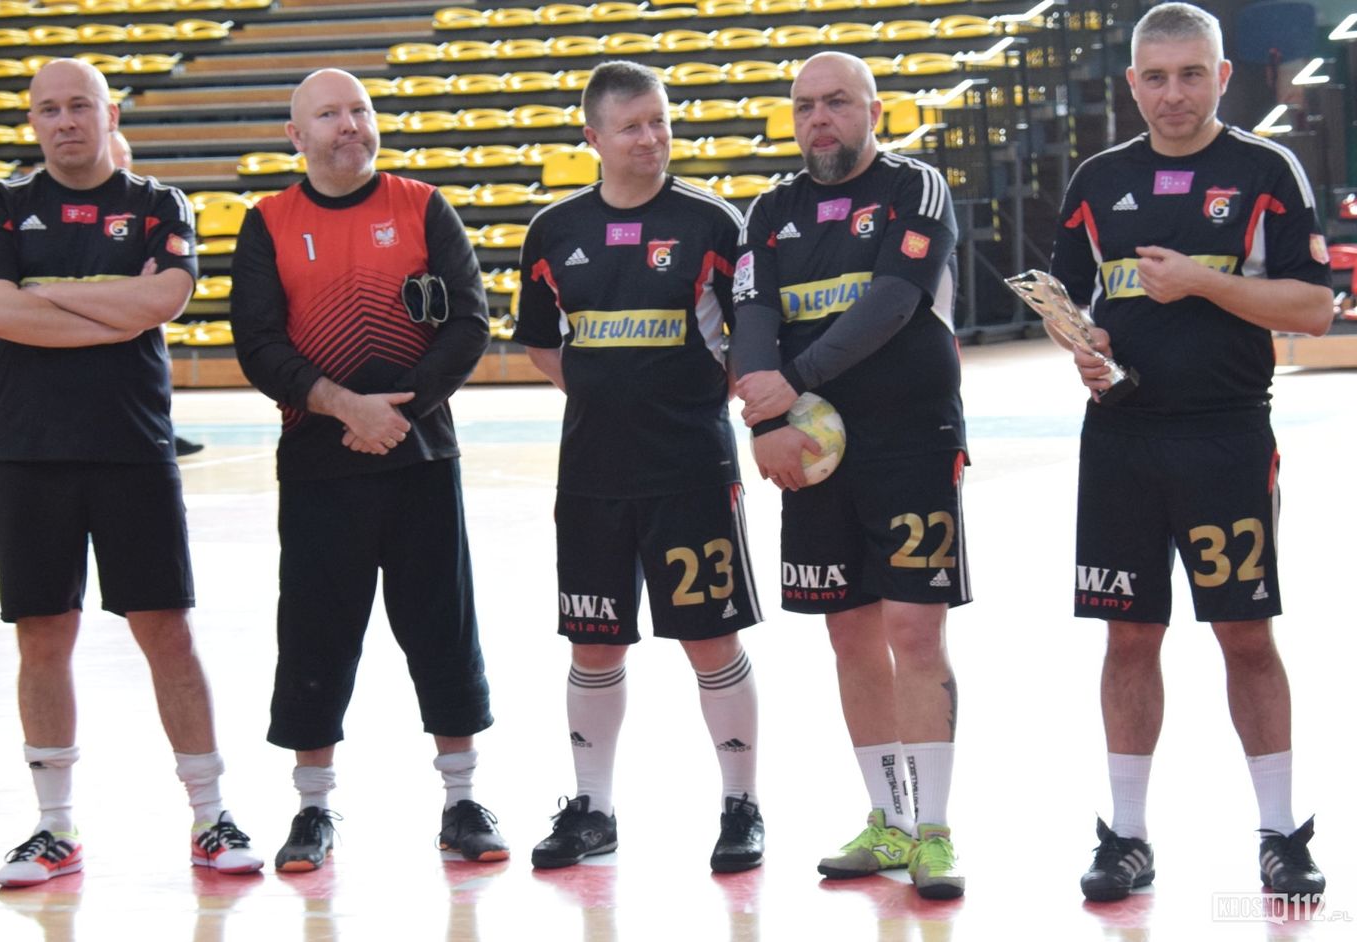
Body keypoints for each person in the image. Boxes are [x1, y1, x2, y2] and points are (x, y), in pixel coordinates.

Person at [1046, 2, 1331, 902]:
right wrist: (1083, 346)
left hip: (1227, 435)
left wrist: (1204, 281)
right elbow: (1069, 303)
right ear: (1132, 84)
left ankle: (1280, 832)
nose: (1174, 94)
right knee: (1129, 636)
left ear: (1223, 76)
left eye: (1192, 74)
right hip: (1120, 439)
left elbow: (1315, 307)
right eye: (1158, 77)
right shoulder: (1097, 180)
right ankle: (1127, 836)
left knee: (1244, 633)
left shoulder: (1264, 169)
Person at [0, 58, 263, 887]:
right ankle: (53, 827)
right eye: (48, 109)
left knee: (167, 631)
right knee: (42, 637)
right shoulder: (1, 203)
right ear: (33, 121)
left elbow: (163, 301)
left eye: (79, 106)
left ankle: (210, 816)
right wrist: (112, 307)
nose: (65, 121)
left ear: (110, 114)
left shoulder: (159, 202)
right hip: (28, 450)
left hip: (133, 446)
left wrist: (44, 298)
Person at [228, 68, 506, 871]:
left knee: (442, 629)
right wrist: (346, 407)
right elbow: (259, 344)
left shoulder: (423, 206)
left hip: (421, 456)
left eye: (359, 109)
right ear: (297, 136)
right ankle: (312, 809)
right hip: (318, 464)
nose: (348, 124)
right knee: (315, 636)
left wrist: (394, 415)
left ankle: (462, 802)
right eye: (328, 114)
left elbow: (469, 322)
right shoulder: (267, 222)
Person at [513, 60, 766, 874]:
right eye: (632, 126)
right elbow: (541, 344)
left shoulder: (712, 223)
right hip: (591, 473)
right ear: (593, 137)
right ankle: (593, 810)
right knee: (594, 645)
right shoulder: (553, 230)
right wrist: (605, 391)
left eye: (660, 121)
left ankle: (741, 806)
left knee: (710, 638)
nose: (651, 138)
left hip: (691, 467)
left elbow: (749, 341)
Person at [728, 51, 969, 899]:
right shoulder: (771, 211)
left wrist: (793, 382)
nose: (819, 119)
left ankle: (934, 831)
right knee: (850, 632)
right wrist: (766, 421)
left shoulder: (915, 188)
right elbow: (752, 313)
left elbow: (893, 301)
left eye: (837, 102)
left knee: (914, 631)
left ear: (875, 111)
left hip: (911, 439)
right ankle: (889, 820)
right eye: (805, 107)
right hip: (815, 449)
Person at [109, 129, 205, 459]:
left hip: (147, 320)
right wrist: (134, 288)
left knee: (158, 358)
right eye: (116, 158)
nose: (123, 163)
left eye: (126, 157)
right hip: (106, 327)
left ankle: (162, 427)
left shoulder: (149, 205)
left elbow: (162, 284)